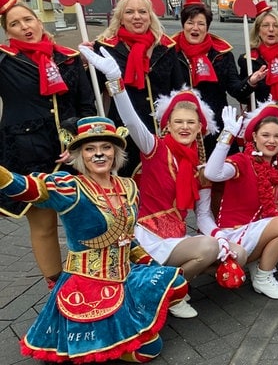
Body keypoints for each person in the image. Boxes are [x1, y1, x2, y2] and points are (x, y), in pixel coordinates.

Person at [3, 116, 187, 363]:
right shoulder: (70, 188)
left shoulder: (129, 187)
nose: (99, 155)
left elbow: (126, 237)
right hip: (87, 282)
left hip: (124, 273)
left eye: (105, 148)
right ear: (79, 154)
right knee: (148, 351)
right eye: (90, 149)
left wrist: (152, 264)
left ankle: (123, 329)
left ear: (115, 152)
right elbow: (28, 188)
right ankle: (106, 339)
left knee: (176, 284)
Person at [80, 46, 246, 318]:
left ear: (200, 128)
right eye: (178, 121)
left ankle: (166, 285)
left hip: (175, 239)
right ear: (166, 124)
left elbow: (203, 216)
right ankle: (168, 293)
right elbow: (132, 123)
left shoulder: (199, 169)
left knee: (236, 252)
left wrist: (220, 237)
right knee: (207, 248)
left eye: (191, 123)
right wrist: (116, 82)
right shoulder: (154, 149)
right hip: (145, 236)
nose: (184, 127)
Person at [0, 0, 96, 286]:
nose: (24, 27)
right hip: (27, 154)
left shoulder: (69, 59)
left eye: (28, 19)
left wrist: (76, 141)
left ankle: (92, 278)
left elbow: (86, 106)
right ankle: (57, 285)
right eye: (15, 24)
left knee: (85, 219)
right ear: (7, 31)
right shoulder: (4, 61)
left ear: (39, 21)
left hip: (73, 155)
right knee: (43, 225)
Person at [203, 103, 278, 299]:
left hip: (263, 229)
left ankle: (259, 264)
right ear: (254, 136)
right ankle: (263, 276)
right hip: (236, 233)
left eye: (277, 136)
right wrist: (227, 136)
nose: (272, 141)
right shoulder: (241, 161)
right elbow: (212, 172)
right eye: (265, 135)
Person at [93, 0, 185, 177]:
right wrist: (85, 63)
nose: (137, 17)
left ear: (150, 16)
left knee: (163, 184)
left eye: (142, 12)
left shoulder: (166, 47)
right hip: (123, 130)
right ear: (120, 18)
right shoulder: (105, 48)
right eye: (129, 12)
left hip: (160, 129)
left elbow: (179, 91)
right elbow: (94, 89)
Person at [172, 0, 242, 158]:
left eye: (200, 24)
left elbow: (236, 89)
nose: (195, 28)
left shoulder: (221, 54)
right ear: (183, 25)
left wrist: (251, 82)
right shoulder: (170, 53)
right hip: (183, 128)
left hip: (217, 127)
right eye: (190, 23)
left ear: (207, 27)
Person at [236, 0, 278, 171]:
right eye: (265, 25)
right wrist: (251, 82)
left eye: (275, 26)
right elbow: (240, 94)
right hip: (261, 129)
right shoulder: (249, 60)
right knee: (260, 176)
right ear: (258, 30)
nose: (271, 30)